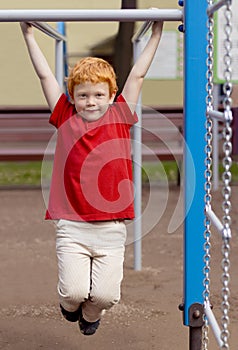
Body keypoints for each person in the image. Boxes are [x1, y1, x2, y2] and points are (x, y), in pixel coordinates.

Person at [20, 20, 163, 336]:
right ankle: (71, 308)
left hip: (111, 229)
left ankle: (91, 313)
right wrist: (28, 35)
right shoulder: (65, 116)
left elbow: (137, 74)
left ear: (112, 95)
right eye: (83, 95)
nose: (91, 101)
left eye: (99, 94)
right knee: (73, 293)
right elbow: (45, 75)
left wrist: (156, 33)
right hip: (72, 226)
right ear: (73, 97)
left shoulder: (121, 115)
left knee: (105, 296)